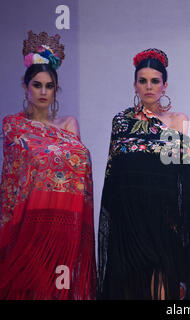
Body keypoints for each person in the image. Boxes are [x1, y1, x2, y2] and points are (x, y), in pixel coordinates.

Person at [97, 48, 190, 299]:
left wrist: (178, 223)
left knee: (160, 285)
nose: (149, 86)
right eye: (143, 81)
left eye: (155, 81)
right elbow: (113, 174)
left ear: (164, 85)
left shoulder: (177, 121)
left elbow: (183, 179)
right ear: (135, 85)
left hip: (161, 221)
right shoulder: (121, 121)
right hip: (127, 222)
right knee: (128, 288)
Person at [0, 31, 97, 299]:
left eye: (49, 86)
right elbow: (13, 178)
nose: (43, 92)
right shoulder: (13, 125)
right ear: (25, 87)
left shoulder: (68, 125)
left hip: (65, 226)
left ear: (56, 89)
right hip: (29, 225)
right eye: (37, 85)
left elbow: (78, 168)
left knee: (59, 289)